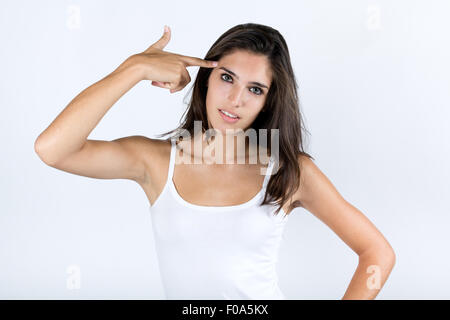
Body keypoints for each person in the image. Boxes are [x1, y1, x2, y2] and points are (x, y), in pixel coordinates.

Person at [34, 23, 396, 300]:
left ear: (268, 101)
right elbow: (53, 149)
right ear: (206, 80)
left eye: (255, 89)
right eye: (227, 78)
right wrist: (134, 69)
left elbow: (376, 252)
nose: (235, 99)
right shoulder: (157, 161)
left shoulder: (289, 171)